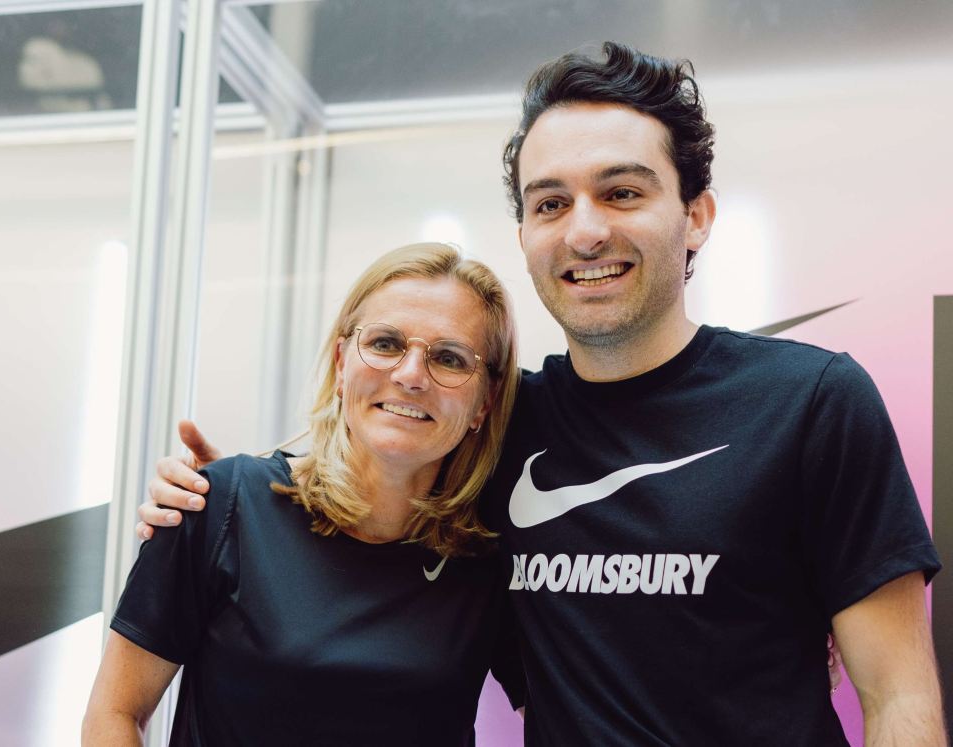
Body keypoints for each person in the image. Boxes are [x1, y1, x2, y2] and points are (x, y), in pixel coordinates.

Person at [140, 43, 944, 744]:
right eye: (550, 202)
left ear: (695, 215)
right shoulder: (494, 422)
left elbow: (900, 693)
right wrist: (222, 506)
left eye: (622, 192)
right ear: (524, 231)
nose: (584, 231)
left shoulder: (812, 401)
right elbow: (369, 457)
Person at [82, 243, 524, 746]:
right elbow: (114, 712)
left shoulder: (491, 555)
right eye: (385, 343)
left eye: (449, 358)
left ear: (483, 404)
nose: (409, 375)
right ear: (341, 364)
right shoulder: (224, 505)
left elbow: (572, 713)